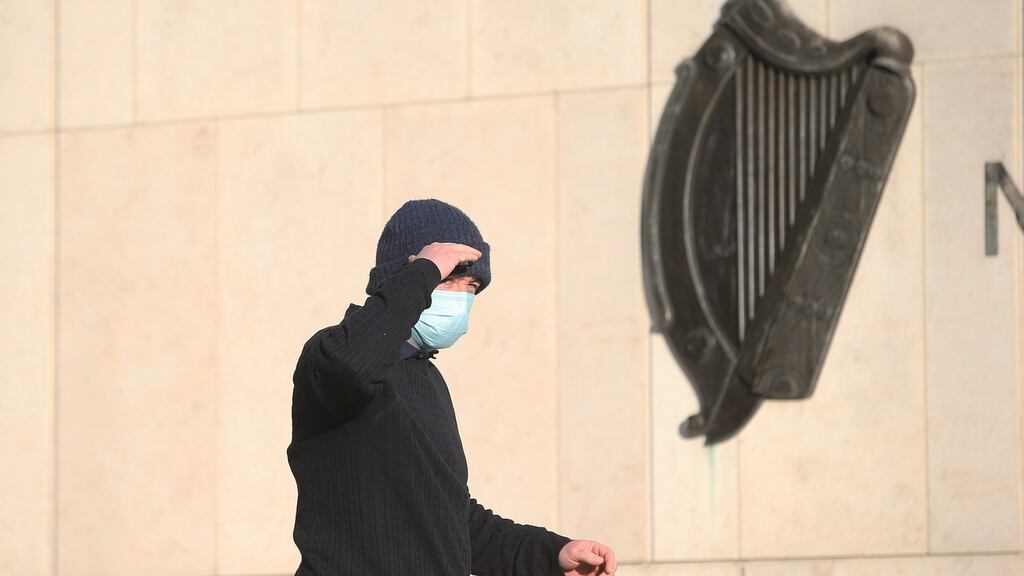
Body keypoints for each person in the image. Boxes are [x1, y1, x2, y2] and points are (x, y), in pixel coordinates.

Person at [287, 199, 617, 575]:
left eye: (471, 283)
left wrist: (551, 553)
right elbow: (351, 366)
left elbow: (454, 521)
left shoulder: (424, 378)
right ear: (404, 280)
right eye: (448, 278)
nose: (461, 295)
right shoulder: (330, 353)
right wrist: (425, 269)